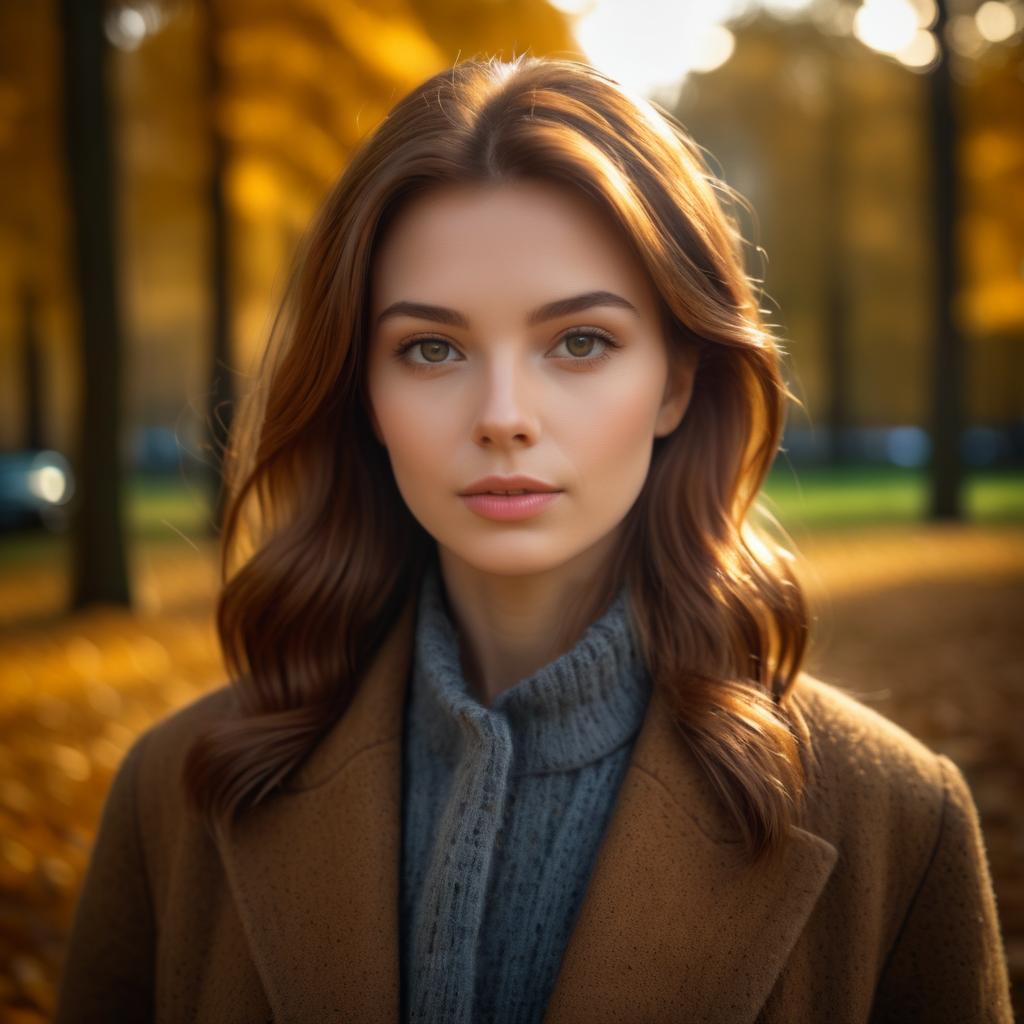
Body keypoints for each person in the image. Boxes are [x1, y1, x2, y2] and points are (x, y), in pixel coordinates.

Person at [54, 54, 1013, 1023]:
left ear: (677, 381)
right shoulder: (170, 798)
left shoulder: (899, 823)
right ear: (365, 395)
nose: (503, 415)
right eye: (431, 348)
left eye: (579, 341)